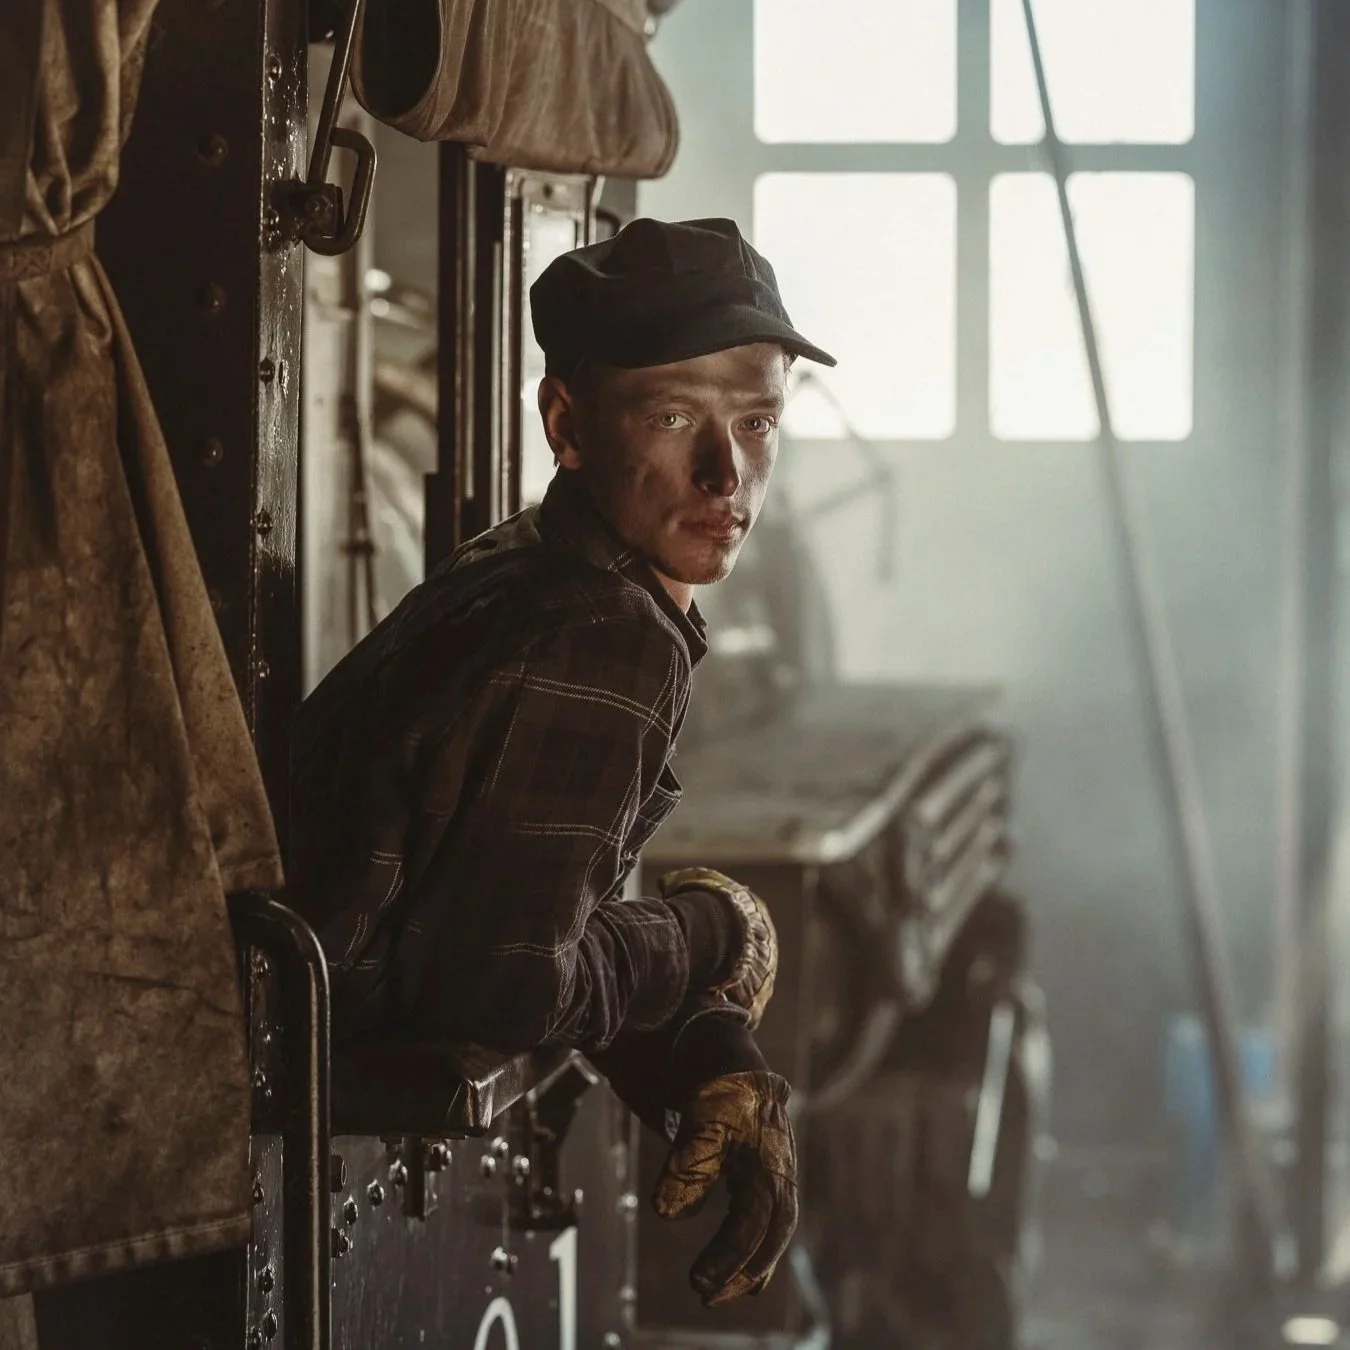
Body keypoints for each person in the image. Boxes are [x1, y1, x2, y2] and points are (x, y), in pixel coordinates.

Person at [288, 216, 836, 1307]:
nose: (728, 471)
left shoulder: (530, 561)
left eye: (758, 420)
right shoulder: (607, 631)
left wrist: (706, 1043)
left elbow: (512, 916)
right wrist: (712, 933)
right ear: (568, 427)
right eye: (674, 415)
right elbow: (506, 983)